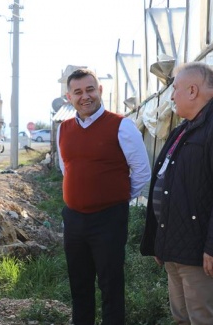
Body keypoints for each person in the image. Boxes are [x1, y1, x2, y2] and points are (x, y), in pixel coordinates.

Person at [140, 62, 213, 324]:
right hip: (178, 249)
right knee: (182, 318)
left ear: (192, 90)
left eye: (175, 89)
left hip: (202, 254)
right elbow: (169, 186)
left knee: (204, 319)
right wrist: (161, 239)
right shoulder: (184, 130)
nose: (171, 95)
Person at [57, 68, 151, 325]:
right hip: (74, 220)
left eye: (90, 90)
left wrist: (116, 198)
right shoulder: (63, 130)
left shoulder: (121, 126)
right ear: (69, 97)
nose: (84, 96)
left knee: (111, 286)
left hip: (109, 220)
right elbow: (67, 170)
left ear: (99, 91)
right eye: (78, 92)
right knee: (79, 286)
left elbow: (142, 172)